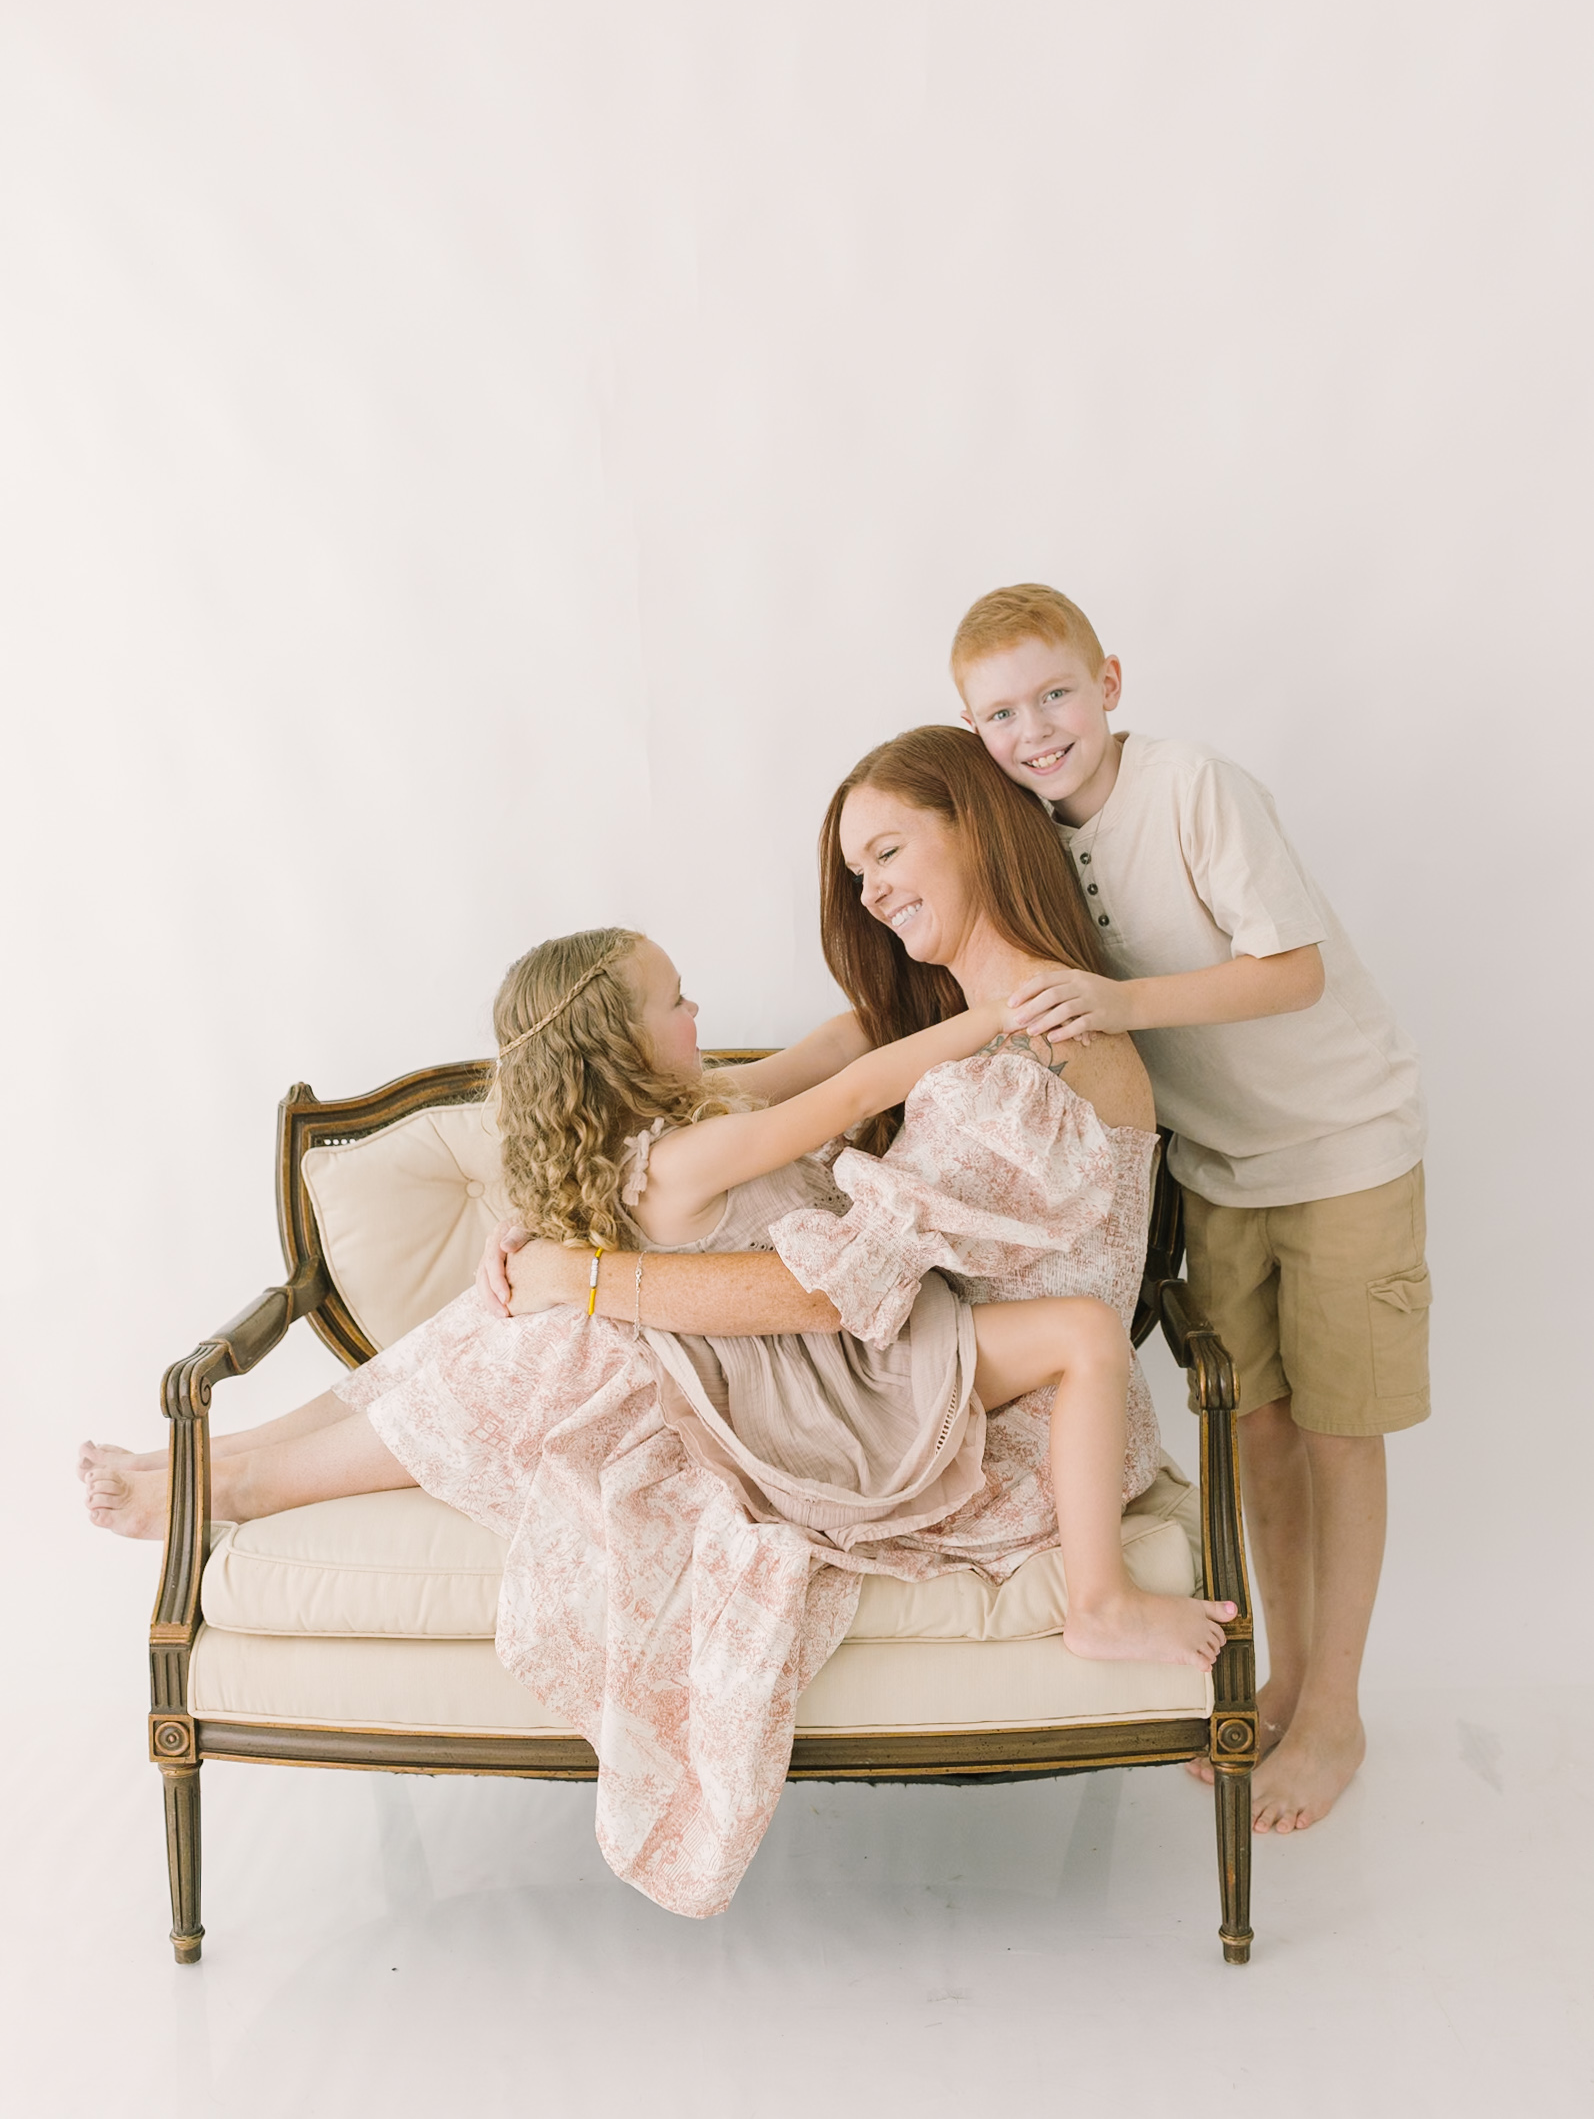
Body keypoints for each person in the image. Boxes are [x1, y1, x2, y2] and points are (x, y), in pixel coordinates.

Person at [82, 729, 1233, 1914]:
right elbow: (789, 1087)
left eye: (888, 850)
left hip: (965, 1417)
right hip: (909, 1369)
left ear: (975, 828)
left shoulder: (1023, 1046)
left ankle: (249, 1474)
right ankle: (238, 1463)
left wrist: (580, 1278)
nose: (872, 890)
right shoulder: (915, 1037)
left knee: (573, 1330)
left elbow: (827, 1249)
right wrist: (563, 1237)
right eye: (858, 870)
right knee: (547, 1330)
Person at [950, 581, 1428, 1838]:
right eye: (998, 712)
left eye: (1054, 691)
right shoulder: (1026, 830)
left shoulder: (1193, 784)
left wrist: (1117, 1009)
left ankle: (1339, 1707)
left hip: (1340, 1147)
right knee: (1255, 1426)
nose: (1034, 727)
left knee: (1339, 1428)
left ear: (1108, 679)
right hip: (1215, 1169)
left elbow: (1292, 968)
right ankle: (1282, 1680)